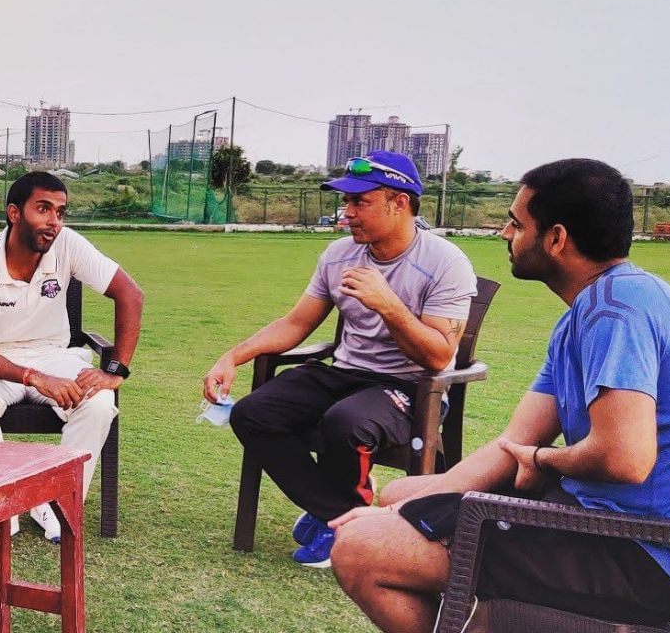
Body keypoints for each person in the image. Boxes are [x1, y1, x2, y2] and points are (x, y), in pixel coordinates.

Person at [330, 158, 670, 632]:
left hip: (642, 552)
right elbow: (514, 441)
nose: (505, 233)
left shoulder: (617, 313)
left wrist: (543, 461)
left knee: (360, 552)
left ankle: (481, 621)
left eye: (516, 223)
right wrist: (405, 509)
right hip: (600, 520)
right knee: (399, 493)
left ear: (557, 239)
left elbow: (626, 458)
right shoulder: (591, 312)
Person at [203, 151, 477, 568]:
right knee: (253, 413)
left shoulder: (444, 263)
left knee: (345, 422)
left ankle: (339, 520)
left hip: (409, 385)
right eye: (345, 202)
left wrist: (389, 305)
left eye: (360, 202)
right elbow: (296, 323)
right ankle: (342, 516)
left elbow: (439, 357)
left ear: (399, 202)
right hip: (346, 372)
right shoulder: (338, 254)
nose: (346, 213)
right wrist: (232, 357)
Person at [0, 171, 144, 550]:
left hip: (54, 355)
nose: (54, 221)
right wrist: (33, 377)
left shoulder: (67, 244)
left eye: (60, 211)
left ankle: (57, 502)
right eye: (43, 209)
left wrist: (115, 371)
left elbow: (130, 294)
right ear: (13, 213)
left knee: (100, 401)